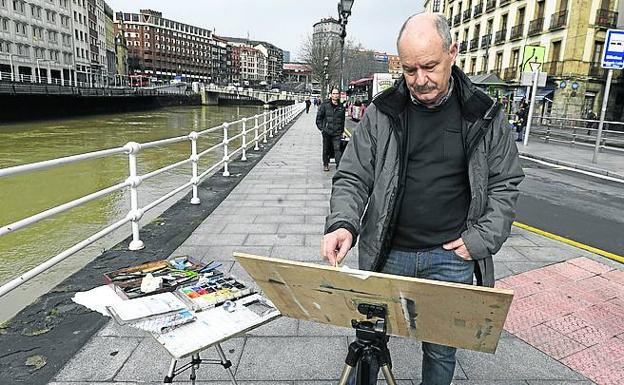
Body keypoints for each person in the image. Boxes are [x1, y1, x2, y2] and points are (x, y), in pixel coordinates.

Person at [320, 13, 524, 385]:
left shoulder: (485, 114)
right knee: (368, 343)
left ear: (452, 53)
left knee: (441, 351)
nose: (419, 80)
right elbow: (353, 174)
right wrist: (343, 224)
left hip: (450, 258)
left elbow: (505, 184)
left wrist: (480, 240)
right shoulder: (383, 111)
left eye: (429, 66)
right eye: (410, 70)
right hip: (387, 250)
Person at [316, 87, 346, 172]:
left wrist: (342, 131)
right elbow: (319, 118)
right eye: (334, 93)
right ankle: (326, 164)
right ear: (331, 95)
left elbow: (342, 120)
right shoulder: (325, 105)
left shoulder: (341, 107)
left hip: (337, 132)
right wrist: (322, 128)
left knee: (337, 149)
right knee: (326, 149)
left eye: (337, 94)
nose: (335, 95)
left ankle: (339, 165)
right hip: (327, 132)